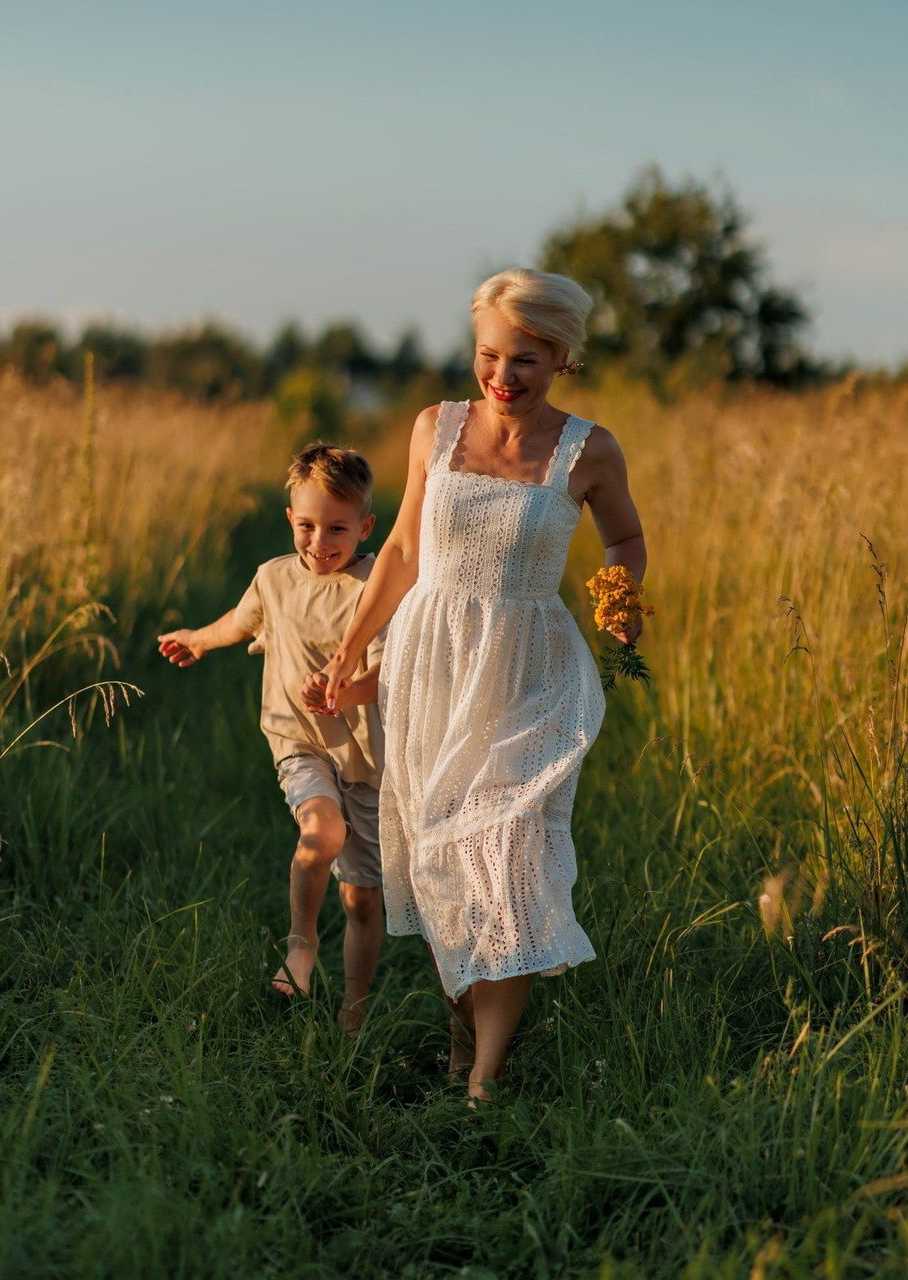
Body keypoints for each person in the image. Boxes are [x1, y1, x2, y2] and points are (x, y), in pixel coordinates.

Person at [313, 268, 646, 1100]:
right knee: (441, 861)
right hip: (433, 664)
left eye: (525, 360)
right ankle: (462, 1040)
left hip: (528, 668)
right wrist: (352, 651)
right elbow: (398, 554)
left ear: (563, 357)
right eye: (490, 355)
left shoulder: (589, 450)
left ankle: (485, 1079)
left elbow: (625, 539)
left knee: (509, 859)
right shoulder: (436, 427)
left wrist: (619, 599)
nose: (502, 376)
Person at [158, 444, 386, 1032]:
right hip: (298, 739)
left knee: (363, 900)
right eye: (306, 526)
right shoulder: (273, 578)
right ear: (289, 519)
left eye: (337, 528)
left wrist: (342, 693)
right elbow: (241, 622)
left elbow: (389, 676)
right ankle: (301, 940)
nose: (319, 542)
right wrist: (200, 640)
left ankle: (353, 1009)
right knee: (322, 829)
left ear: (365, 526)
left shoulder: (379, 586)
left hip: (365, 755)